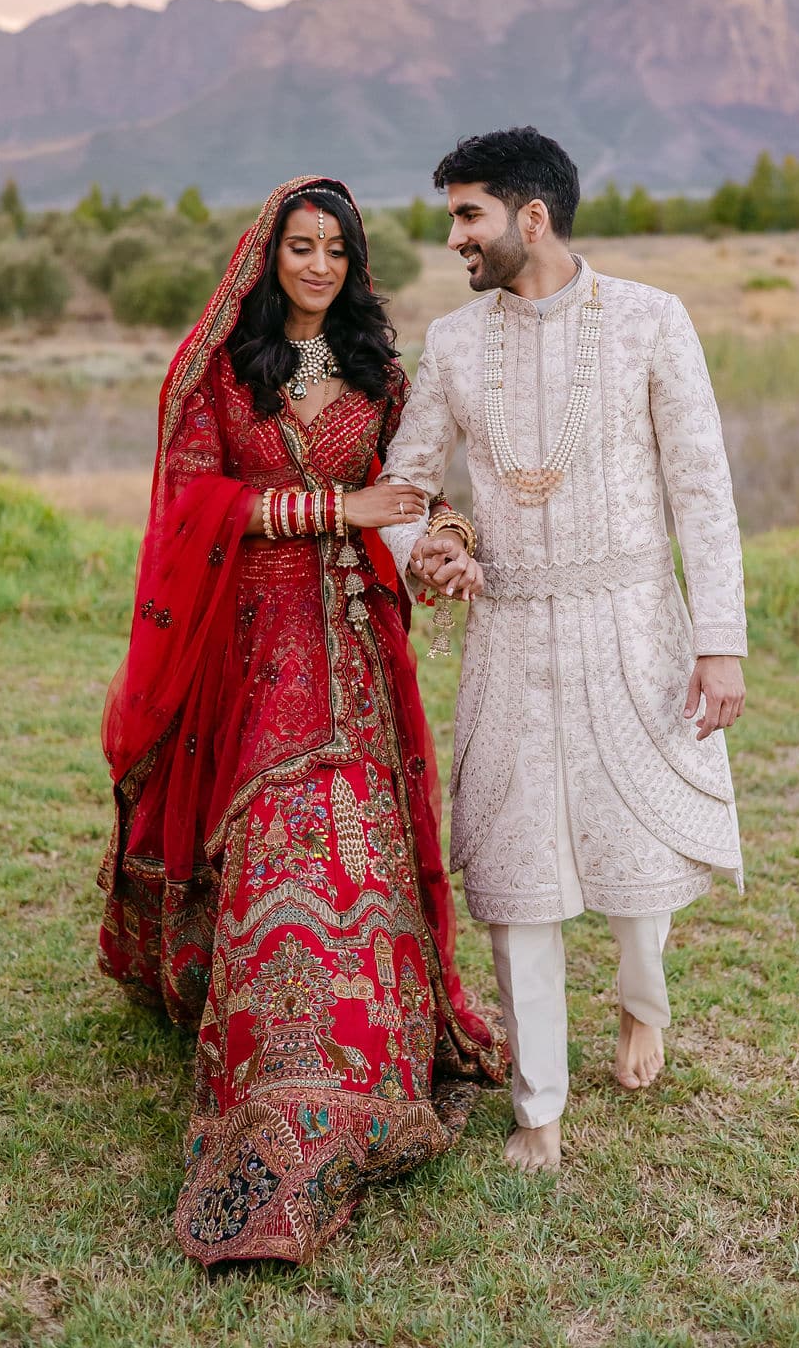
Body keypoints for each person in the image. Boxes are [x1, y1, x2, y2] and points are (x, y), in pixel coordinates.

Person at [97, 175, 505, 1265]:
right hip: (249, 647)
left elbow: (413, 488)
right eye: (300, 247)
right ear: (267, 257)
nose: (318, 265)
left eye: (335, 249)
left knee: (358, 840)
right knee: (278, 835)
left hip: (358, 651)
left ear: (354, 261)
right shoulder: (222, 373)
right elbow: (191, 503)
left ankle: (368, 1064)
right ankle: (274, 1077)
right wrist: (335, 507)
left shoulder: (381, 373)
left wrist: (449, 539)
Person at [379, 128, 746, 1173]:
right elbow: (406, 482)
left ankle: (642, 1003)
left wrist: (719, 641)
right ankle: (538, 1103)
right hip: (509, 635)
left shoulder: (649, 320)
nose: (456, 235)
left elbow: (701, 487)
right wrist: (431, 547)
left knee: (637, 868)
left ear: (529, 217)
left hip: (633, 621)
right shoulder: (455, 343)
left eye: (469, 214)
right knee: (514, 868)